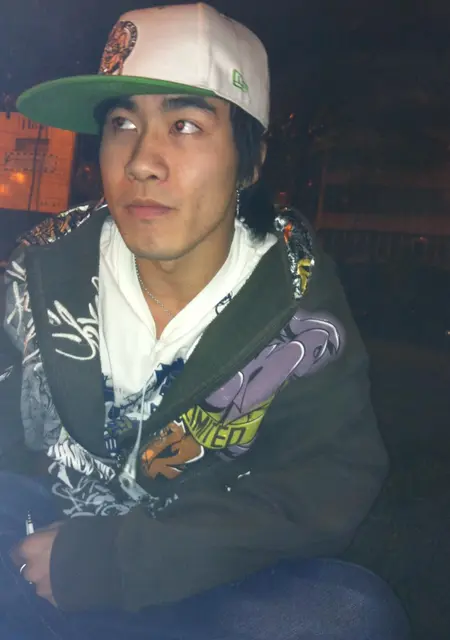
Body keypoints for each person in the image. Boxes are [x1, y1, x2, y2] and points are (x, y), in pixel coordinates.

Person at [0, 3, 410, 638]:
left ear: (250, 160)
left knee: (352, 615)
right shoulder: (36, 274)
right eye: (121, 123)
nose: (141, 161)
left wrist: (119, 562)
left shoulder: (296, 304)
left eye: (185, 125)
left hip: (197, 585)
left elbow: (325, 482)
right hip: (40, 567)